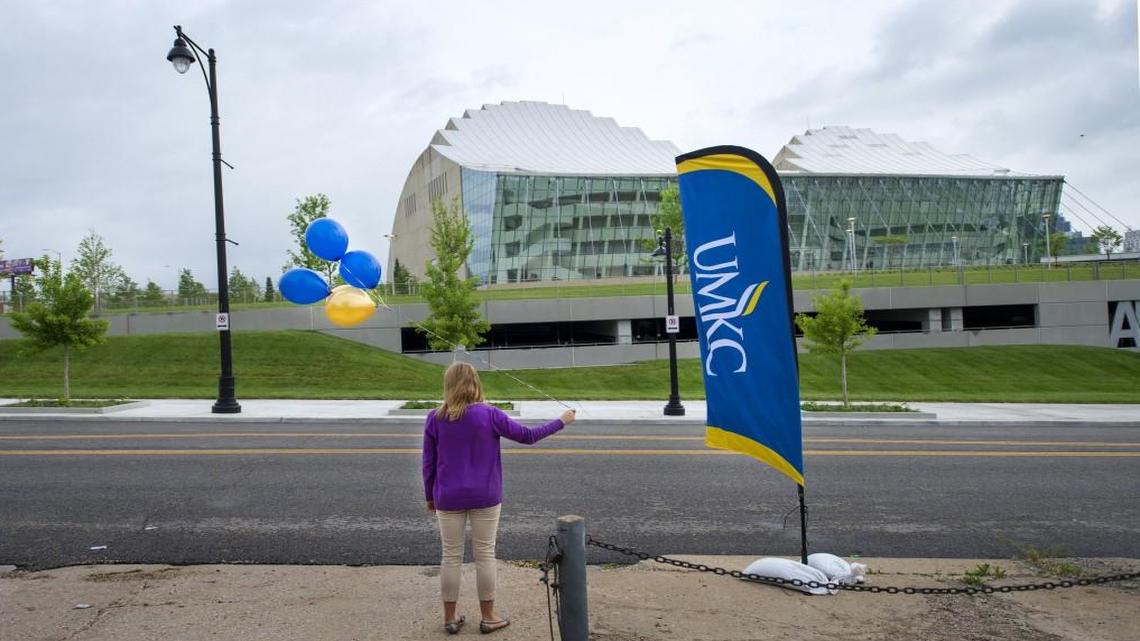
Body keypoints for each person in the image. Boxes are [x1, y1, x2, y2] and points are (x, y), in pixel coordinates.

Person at [422, 361, 576, 635]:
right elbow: (527, 436)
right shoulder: (490, 414)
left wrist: (429, 495)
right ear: (475, 382)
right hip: (485, 494)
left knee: (450, 556)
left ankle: (450, 618)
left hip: (447, 495)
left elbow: (428, 462)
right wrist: (561, 421)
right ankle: (488, 616)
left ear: (448, 385)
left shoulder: (435, 417)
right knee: (484, 555)